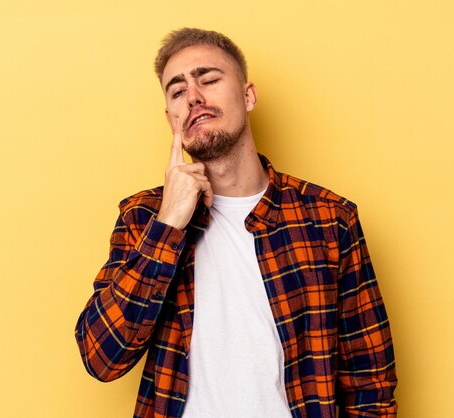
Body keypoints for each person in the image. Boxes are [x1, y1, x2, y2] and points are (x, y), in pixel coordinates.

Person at [74, 28, 398, 418]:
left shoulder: (329, 219)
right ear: (170, 118)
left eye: (209, 80)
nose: (193, 96)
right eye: (177, 92)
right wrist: (170, 224)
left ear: (248, 96)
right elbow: (101, 357)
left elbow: (370, 382)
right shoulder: (143, 217)